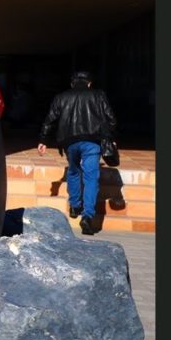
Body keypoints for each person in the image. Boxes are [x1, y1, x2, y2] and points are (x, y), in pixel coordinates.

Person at [37, 71, 117, 235]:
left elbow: (50, 119)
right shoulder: (98, 95)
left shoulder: (62, 97)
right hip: (92, 142)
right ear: (89, 83)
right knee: (91, 177)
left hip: (70, 141)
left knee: (73, 171)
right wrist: (112, 138)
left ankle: (74, 206)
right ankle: (87, 216)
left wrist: (43, 140)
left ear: (72, 84)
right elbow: (111, 118)